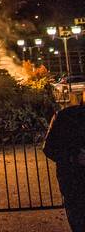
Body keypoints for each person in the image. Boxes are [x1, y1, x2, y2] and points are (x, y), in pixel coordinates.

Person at [43, 96, 85, 232]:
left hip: (71, 183)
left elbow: (49, 148)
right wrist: (74, 158)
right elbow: (50, 148)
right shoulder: (65, 117)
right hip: (74, 183)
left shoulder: (64, 116)